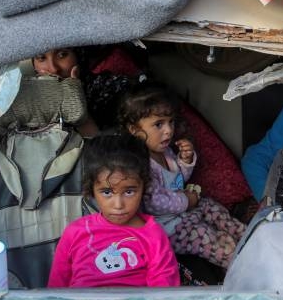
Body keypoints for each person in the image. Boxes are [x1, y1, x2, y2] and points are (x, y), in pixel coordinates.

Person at [119, 84, 244, 269]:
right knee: (205, 237)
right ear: (133, 129)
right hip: (170, 227)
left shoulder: (166, 152)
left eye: (171, 122)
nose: (168, 130)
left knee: (212, 207)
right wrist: (187, 200)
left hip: (184, 210)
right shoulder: (141, 164)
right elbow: (154, 203)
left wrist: (185, 160)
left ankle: (246, 234)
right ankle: (237, 261)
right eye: (159, 124)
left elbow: (178, 181)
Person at [46, 134, 179, 288]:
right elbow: (56, 289)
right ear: (92, 190)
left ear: (144, 187)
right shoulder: (75, 232)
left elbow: (164, 294)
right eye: (107, 192)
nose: (118, 205)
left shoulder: (153, 235)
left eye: (129, 192)